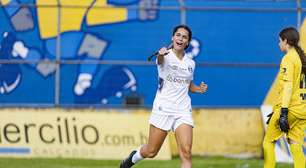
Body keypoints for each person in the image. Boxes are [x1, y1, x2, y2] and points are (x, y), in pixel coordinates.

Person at [119, 24, 208, 168]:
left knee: (186, 153)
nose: (180, 38)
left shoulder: (190, 63)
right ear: (173, 38)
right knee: (151, 151)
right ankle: (133, 158)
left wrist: (198, 89)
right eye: (178, 35)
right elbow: (160, 61)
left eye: (184, 37)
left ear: (187, 42)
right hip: (163, 109)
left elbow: (188, 84)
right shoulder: (165, 56)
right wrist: (160, 54)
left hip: (182, 111)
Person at [263, 27, 306, 168]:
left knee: (268, 142)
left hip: (290, 109)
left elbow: (288, 87)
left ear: (286, 41)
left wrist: (283, 112)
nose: (278, 44)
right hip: (303, 110)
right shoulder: (301, 57)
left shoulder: (288, 58)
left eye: (279, 41)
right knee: (295, 145)